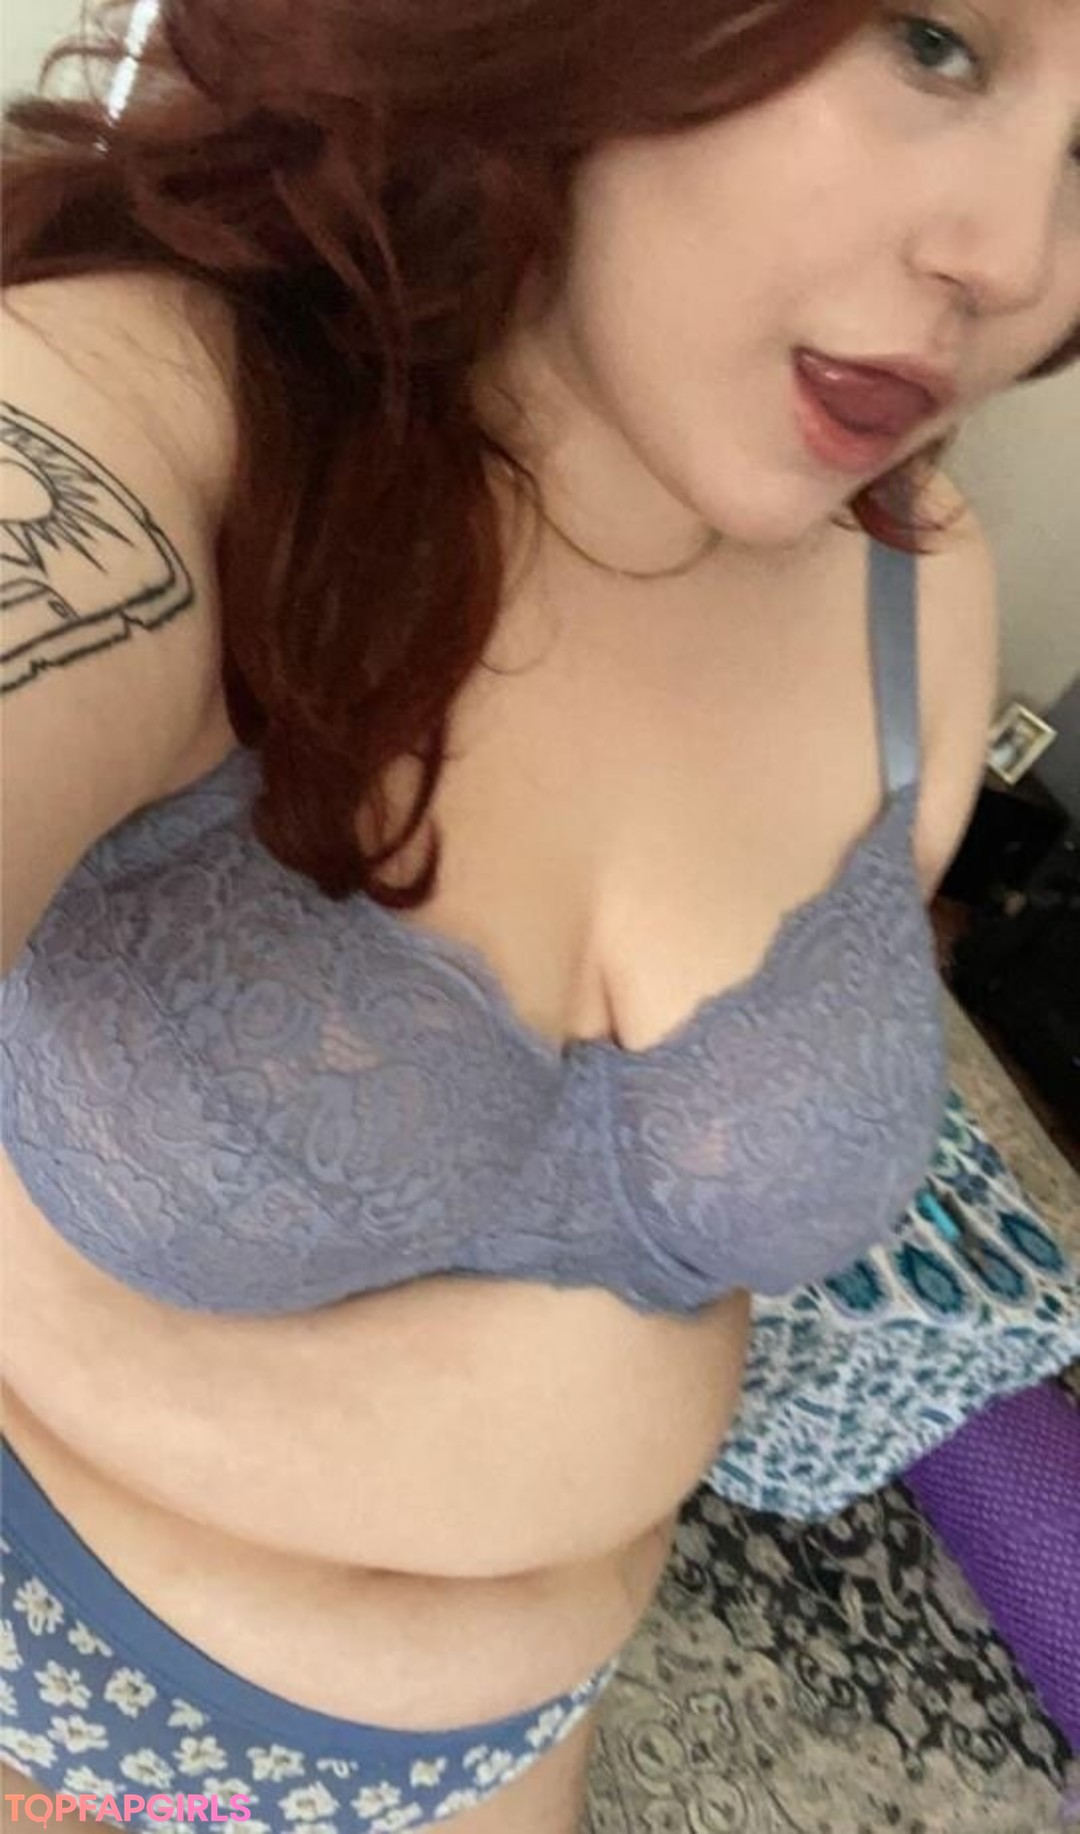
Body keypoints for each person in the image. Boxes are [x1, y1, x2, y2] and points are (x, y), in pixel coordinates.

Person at [1, 1, 1078, 1829]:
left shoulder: (924, 590)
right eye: (935, 41)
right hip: (60, 1679)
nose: (1023, 262)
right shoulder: (161, 412)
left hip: (513, 1739)